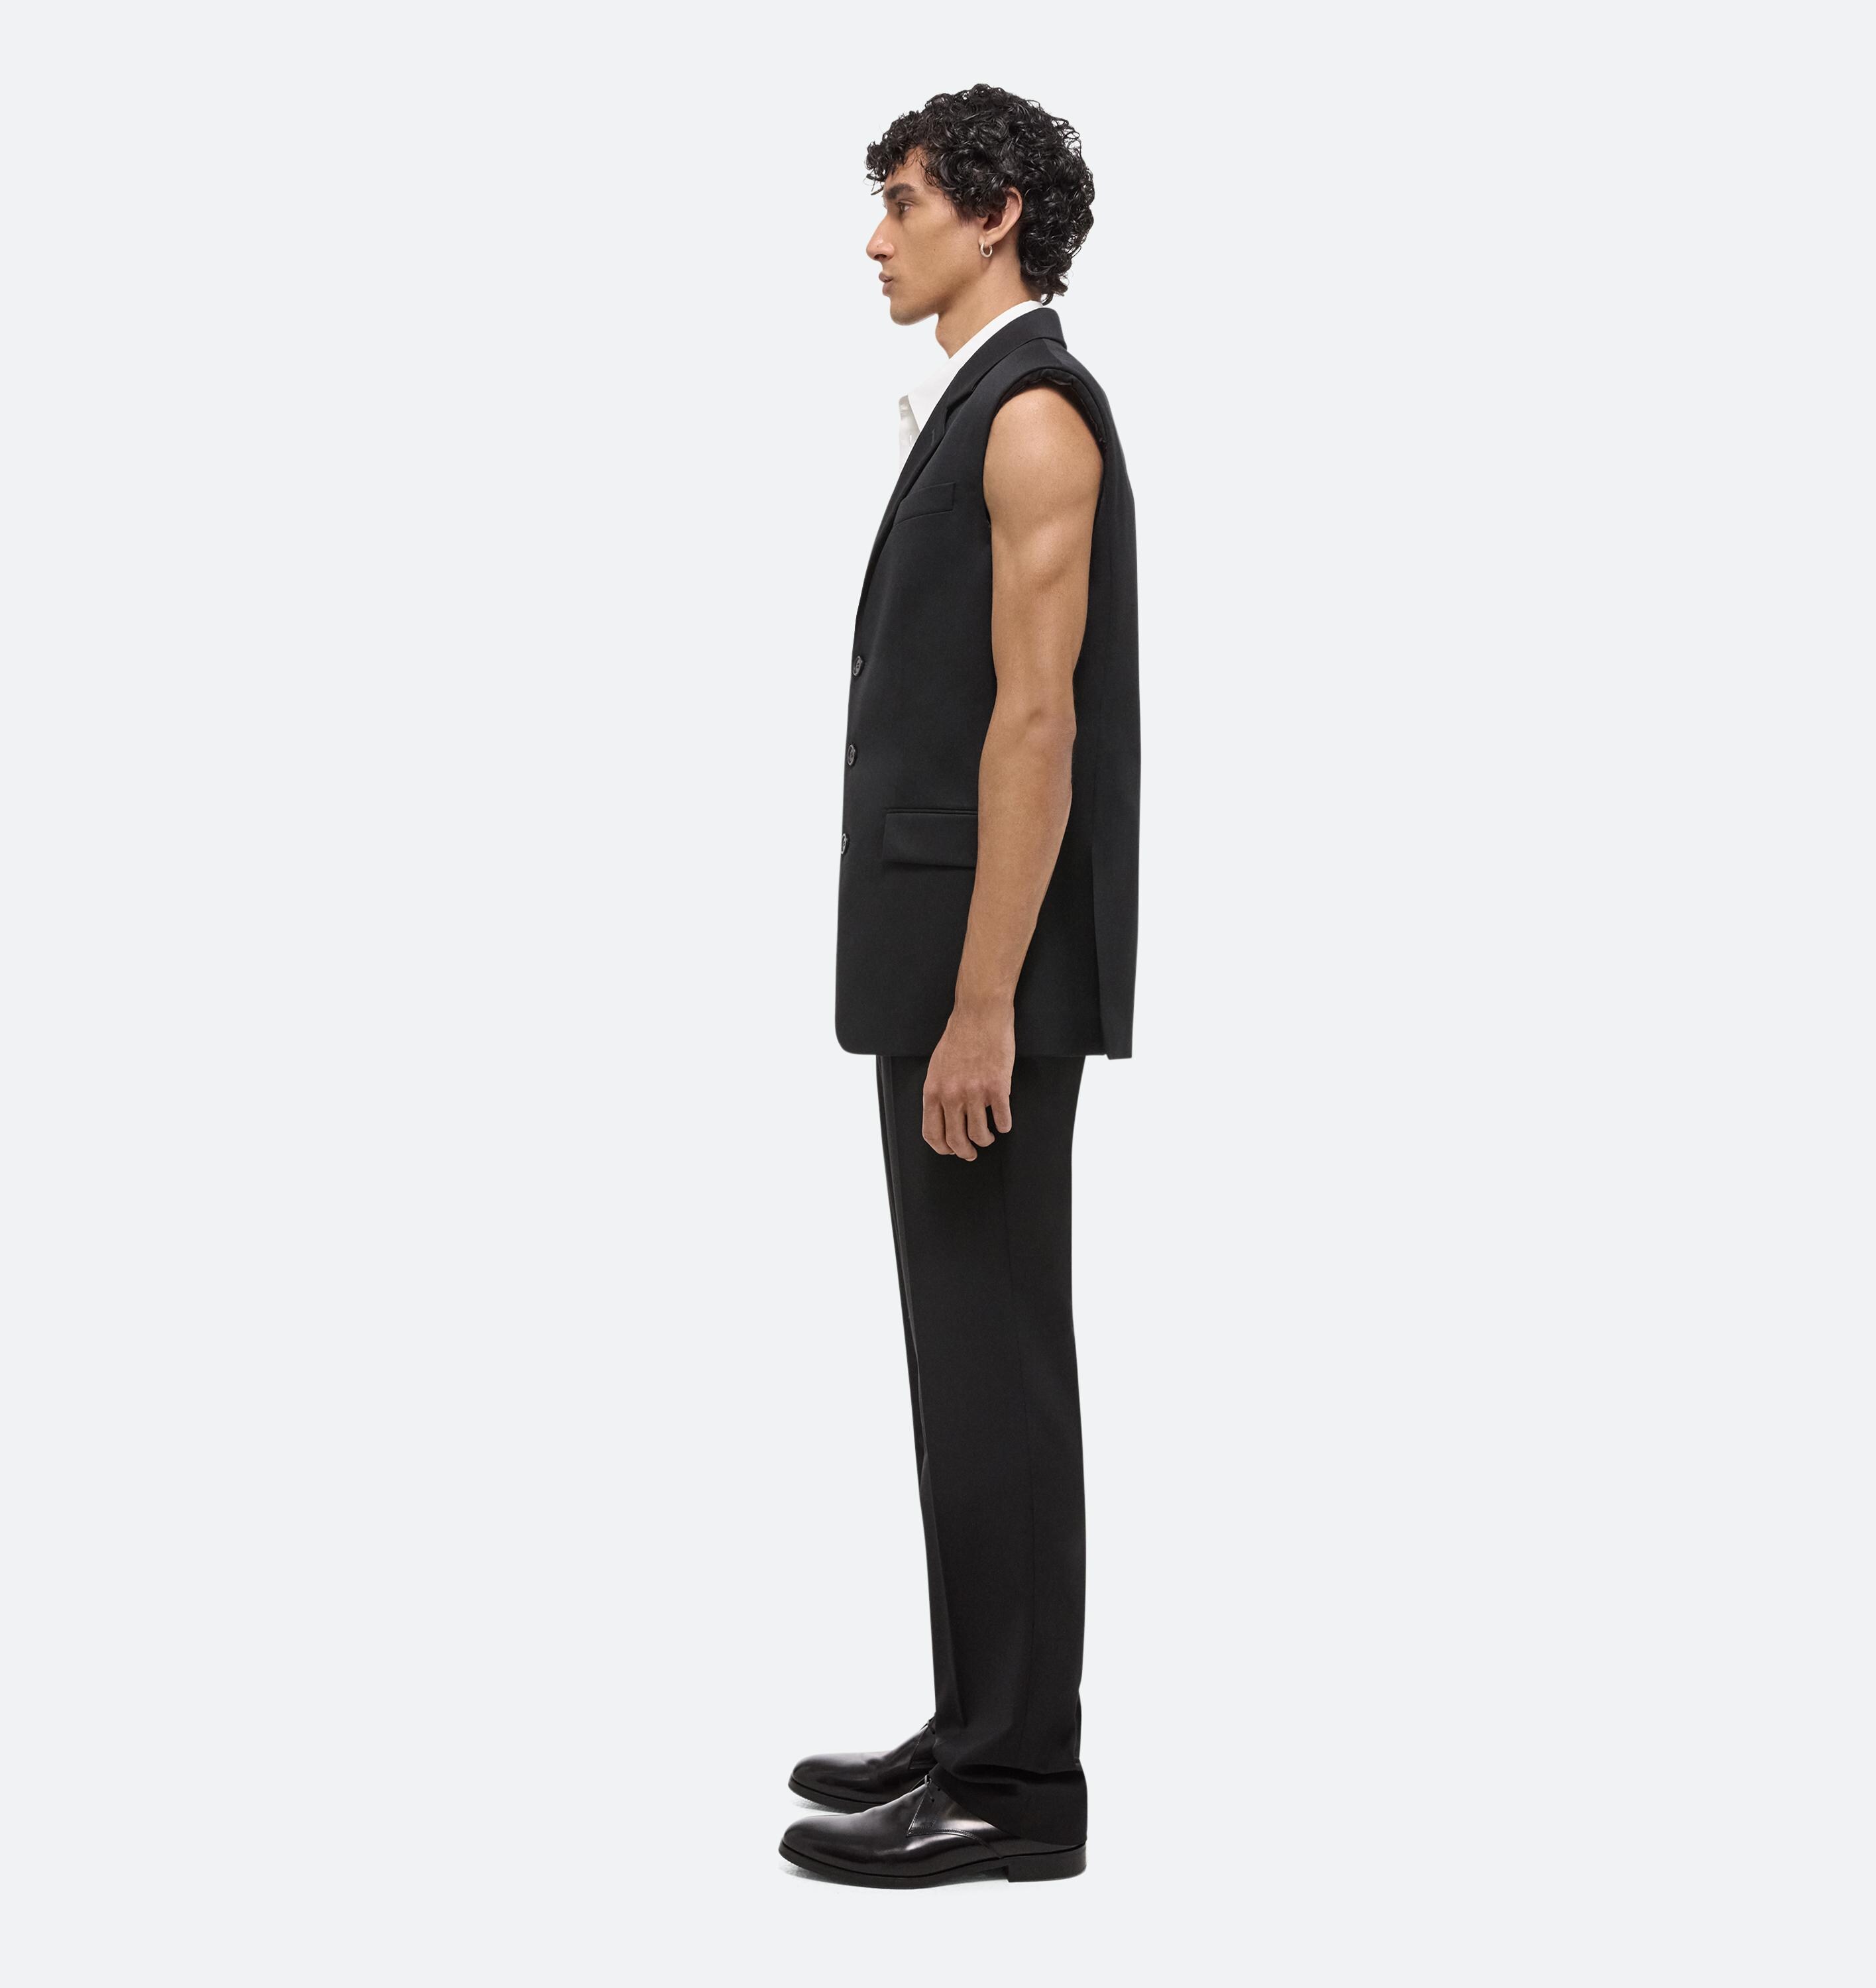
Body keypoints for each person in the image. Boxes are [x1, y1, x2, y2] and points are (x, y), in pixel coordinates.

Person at [778, 84, 1139, 1890]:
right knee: (964, 1362)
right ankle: (981, 1717)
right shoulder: (985, 406)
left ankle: (1017, 1782)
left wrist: (984, 1003)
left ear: (995, 215)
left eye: (905, 202)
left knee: (995, 1362)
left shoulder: (1035, 418)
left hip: (987, 983)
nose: (876, 237)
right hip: (949, 965)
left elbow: (1037, 726)